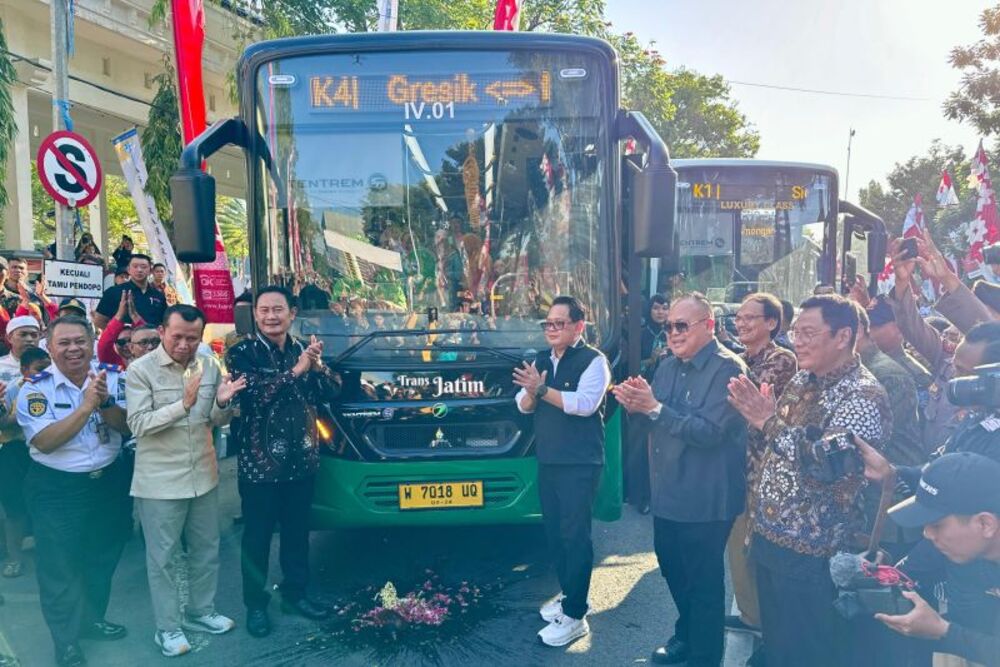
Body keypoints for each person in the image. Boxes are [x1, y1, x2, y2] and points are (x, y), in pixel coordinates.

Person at [727, 294, 891, 667]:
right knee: (778, 641)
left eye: (809, 333)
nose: (797, 340)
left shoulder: (863, 396)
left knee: (807, 649)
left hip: (814, 556)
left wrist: (768, 421)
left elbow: (832, 465)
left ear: (842, 336)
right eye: (796, 331)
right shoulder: (803, 377)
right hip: (772, 540)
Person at [614, 292, 748, 667]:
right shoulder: (668, 365)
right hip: (668, 490)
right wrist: (635, 404)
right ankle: (686, 636)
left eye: (681, 325)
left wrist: (654, 408)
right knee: (674, 569)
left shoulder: (728, 369)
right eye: (668, 325)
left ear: (709, 326)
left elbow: (709, 432)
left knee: (703, 582)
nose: (672, 333)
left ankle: (705, 656)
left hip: (707, 497)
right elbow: (655, 418)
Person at [126, 304, 246, 657]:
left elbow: (213, 419)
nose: (184, 344)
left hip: (204, 476)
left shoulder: (209, 366)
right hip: (159, 483)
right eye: (177, 336)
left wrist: (223, 403)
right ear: (162, 331)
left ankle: (200, 611)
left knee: (206, 551)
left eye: (192, 338)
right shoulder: (140, 371)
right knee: (163, 559)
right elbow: (138, 424)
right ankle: (167, 628)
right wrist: (182, 404)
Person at [226, 286, 341, 638]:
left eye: (278, 309)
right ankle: (255, 606)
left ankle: (296, 595)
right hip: (260, 466)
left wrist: (318, 368)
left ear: (292, 313)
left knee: (296, 534)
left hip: (301, 459)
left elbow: (332, 391)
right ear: (255, 315)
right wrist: (296, 371)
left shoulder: (301, 348)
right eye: (264, 310)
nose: (271, 316)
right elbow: (256, 395)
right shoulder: (241, 352)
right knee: (257, 539)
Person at [16, 316, 130, 667]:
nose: (73, 349)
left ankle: (92, 619)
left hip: (108, 482)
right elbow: (45, 442)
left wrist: (106, 402)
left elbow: (127, 428)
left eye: (80, 341)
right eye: (64, 343)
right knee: (60, 568)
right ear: (49, 347)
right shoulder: (35, 388)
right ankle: (65, 642)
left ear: (92, 341)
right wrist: (85, 408)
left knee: (101, 558)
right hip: (57, 489)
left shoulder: (112, 376)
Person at [512, 295, 611, 647]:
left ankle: (575, 614)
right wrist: (531, 392)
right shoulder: (540, 361)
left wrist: (540, 389)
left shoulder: (594, 361)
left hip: (581, 464)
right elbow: (523, 407)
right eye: (547, 324)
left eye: (559, 324)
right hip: (549, 461)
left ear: (578, 327)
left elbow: (584, 406)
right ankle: (568, 594)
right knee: (554, 534)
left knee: (575, 536)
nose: (551, 330)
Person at [866, 452, 1000, 666]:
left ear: (985, 524)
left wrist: (943, 631)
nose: (927, 534)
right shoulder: (965, 549)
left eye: (936, 525)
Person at [725, 293, 798, 651]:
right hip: (738, 468)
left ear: (772, 323)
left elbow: (738, 400)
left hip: (766, 470)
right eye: (738, 317)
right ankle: (753, 617)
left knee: (759, 549)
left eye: (750, 318)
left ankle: (768, 628)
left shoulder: (780, 360)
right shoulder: (742, 357)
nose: (741, 323)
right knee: (739, 545)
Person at [93, 254, 167, 329]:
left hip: (152, 338)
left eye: (143, 267)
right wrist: (117, 335)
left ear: (150, 271)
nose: (139, 270)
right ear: (128, 270)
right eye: (135, 266)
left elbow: (164, 322)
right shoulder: (113, 292)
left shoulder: (159, 295)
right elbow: (99, 321)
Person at [97, 291, 144, 366]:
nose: (127, 345)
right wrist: (119, 315)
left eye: (130, 340)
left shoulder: (145, 358)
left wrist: (135, 316)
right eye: (121, 342)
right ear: (115, 344)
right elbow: (103, 345)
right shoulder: (111, 360)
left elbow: (148, 338)